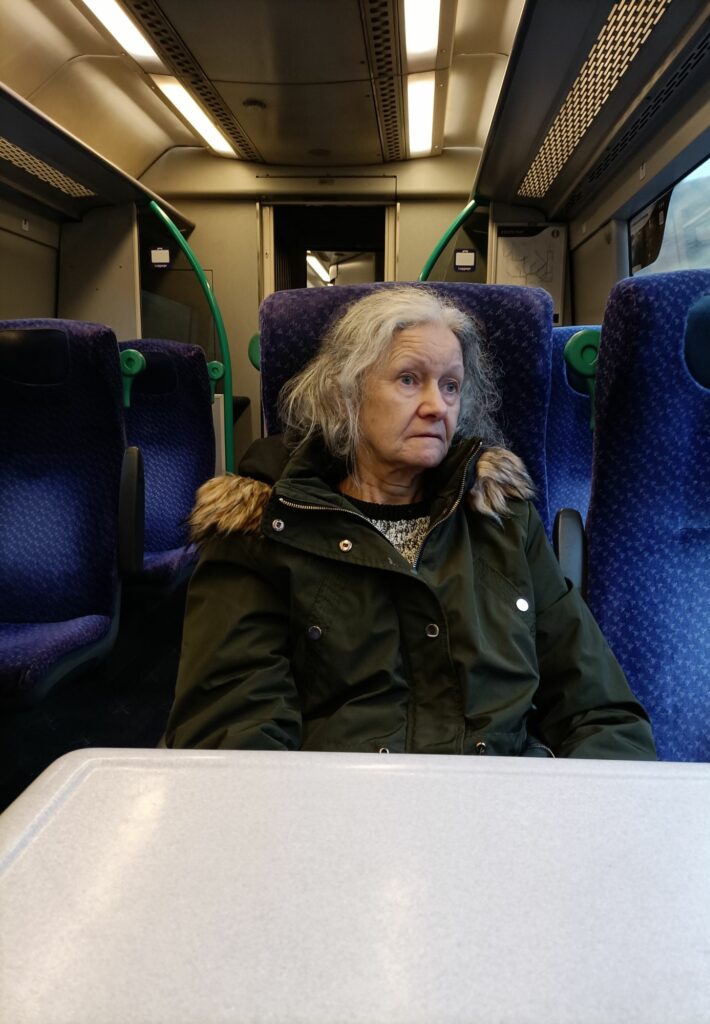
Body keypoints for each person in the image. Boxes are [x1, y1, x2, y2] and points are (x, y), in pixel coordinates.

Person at [164, 286, 656, 759]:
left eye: (450, 386)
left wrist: (586, 810)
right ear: (345, 393)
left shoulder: (502, 519)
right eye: (408, 379)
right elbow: (235, 734)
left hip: (502, 800)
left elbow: (600, 711)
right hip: (342, 804)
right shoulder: (263, 527)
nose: (437, 406)